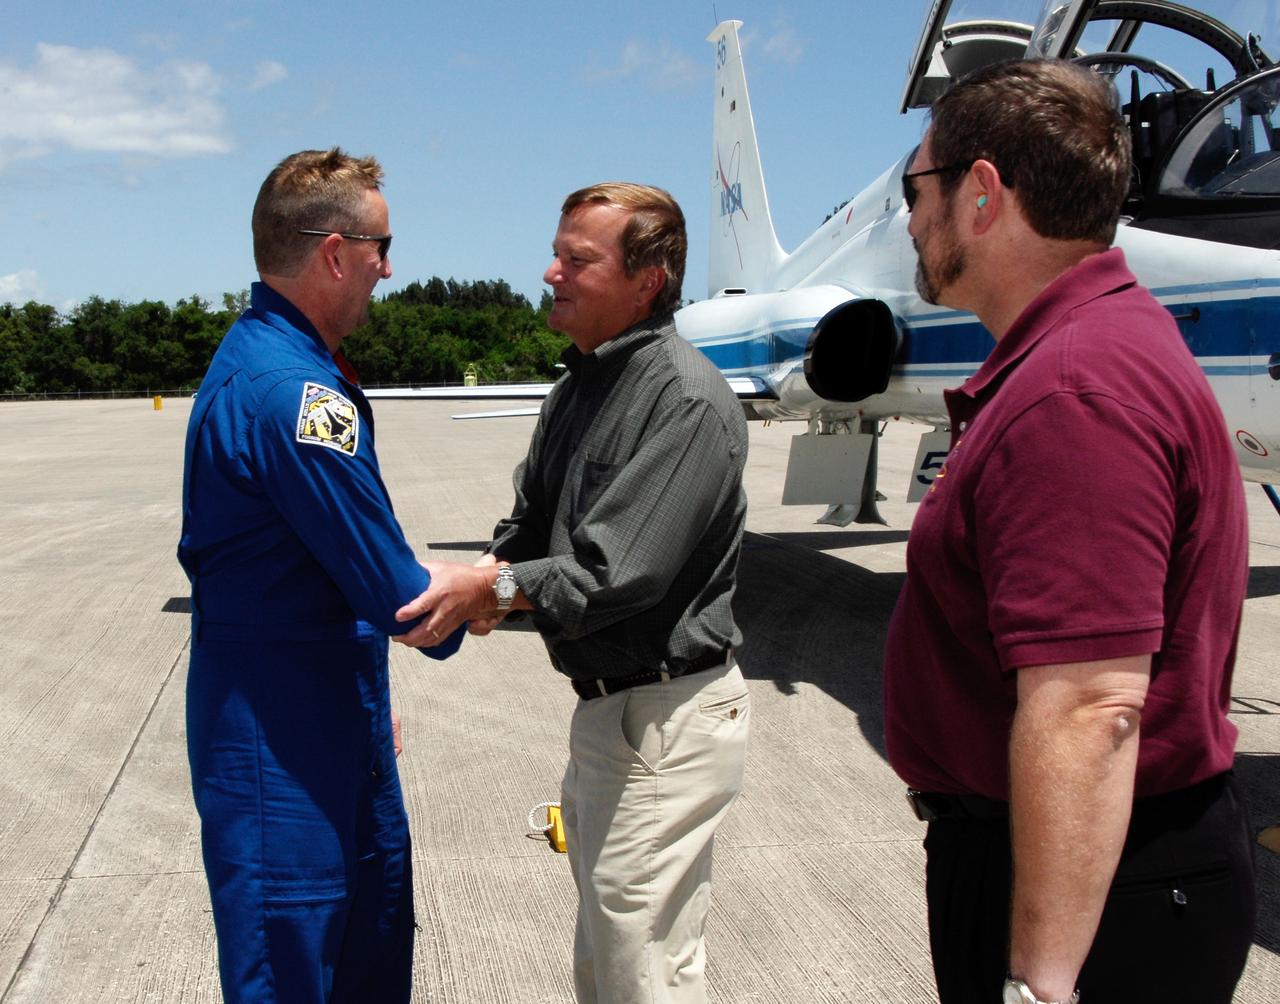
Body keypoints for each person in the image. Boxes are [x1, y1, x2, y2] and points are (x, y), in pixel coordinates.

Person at [884, 59, 1255, 1004]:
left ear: (980, 194)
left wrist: (1039, 985)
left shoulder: (1071, 391)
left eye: (914, 187)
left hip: (1093, 893)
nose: (910, 220)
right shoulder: (1091, 349)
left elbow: (1090, 709)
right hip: (1102, 867)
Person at [395, 182, 751, 1003]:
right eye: (557, 252)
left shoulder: (687, 401)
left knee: (641, 965)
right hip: (609, 715)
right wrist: (491, 582)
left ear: (646, 280)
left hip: (668, 719)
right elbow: (529, 526)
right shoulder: (579, 387)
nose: (550, 271)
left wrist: (496, 588)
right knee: (611, 953)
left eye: (576, 258)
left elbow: (614, 569)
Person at [177, 148, 461, 1004]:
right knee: (298, 967)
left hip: (332, 720)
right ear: (336, 252)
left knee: (368, 958)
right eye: (381, 245)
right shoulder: (294, 396)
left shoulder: (268, 361)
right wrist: (493, 584)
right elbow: (401, 596)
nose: (388, 267)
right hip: (285, 758)